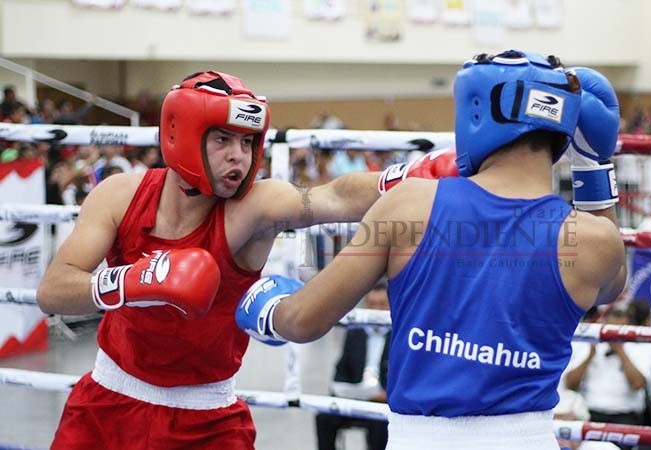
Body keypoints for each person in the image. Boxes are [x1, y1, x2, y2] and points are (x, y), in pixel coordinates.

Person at [35, 70, 457, 449]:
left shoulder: (253, 206)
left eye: (247, 141)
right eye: (223, 139)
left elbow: (335, 197)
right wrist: (130, 282)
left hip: (208, 422)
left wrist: (417, 174)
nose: (239, 155)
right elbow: (53, 291)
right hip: (106, 404)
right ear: (180, 135)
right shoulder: (119, 195)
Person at [237, 50, 627, 450]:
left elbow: (302, 321)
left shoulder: (410, 205)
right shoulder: (595, 242)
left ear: (475, 113)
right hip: (529, 438)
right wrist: (592, 164)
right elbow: (611, 286)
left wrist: (266, 308)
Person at [315, 280, 391, 450]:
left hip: (383, 403)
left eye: (382, 305)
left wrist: (386, 395)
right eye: (372, 305)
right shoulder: (355, 334)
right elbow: (340, 373)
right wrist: (345, 390)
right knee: (323, 418)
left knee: (380, 425)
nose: (377, 310)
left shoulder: (399, 337)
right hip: (355, 398)